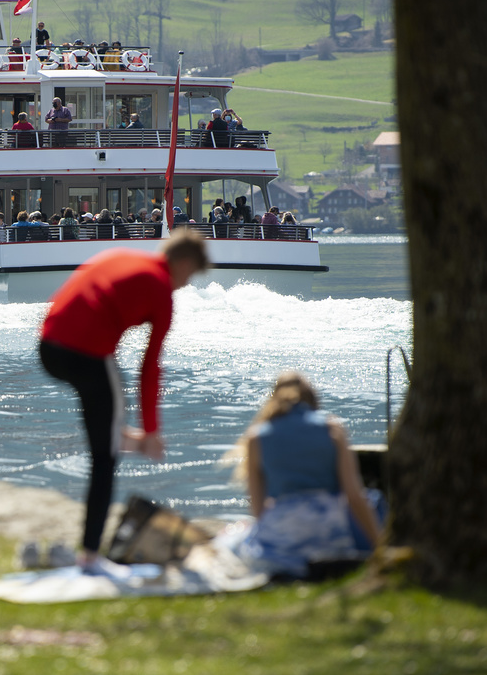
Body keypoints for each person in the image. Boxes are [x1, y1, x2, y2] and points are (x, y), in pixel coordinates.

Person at [40, 230, 209, 576]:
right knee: (105, 459)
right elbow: (150, 368)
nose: (184, 284)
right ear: (184, 263)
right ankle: (90, 556)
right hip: (87, 352)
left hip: (49, 346)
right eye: (189, 276)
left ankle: (122, 437)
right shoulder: (161, 290)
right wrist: (153, 430)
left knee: (107, 420)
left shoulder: (119, 255)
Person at [224, 372, 384, 579]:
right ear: (313, 398)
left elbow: (258, 510)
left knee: (231, 538)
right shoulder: (332, 428)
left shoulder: (257, 437)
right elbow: (354, 496)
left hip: (281, 541)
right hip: (330, 534)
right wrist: (380, 546)